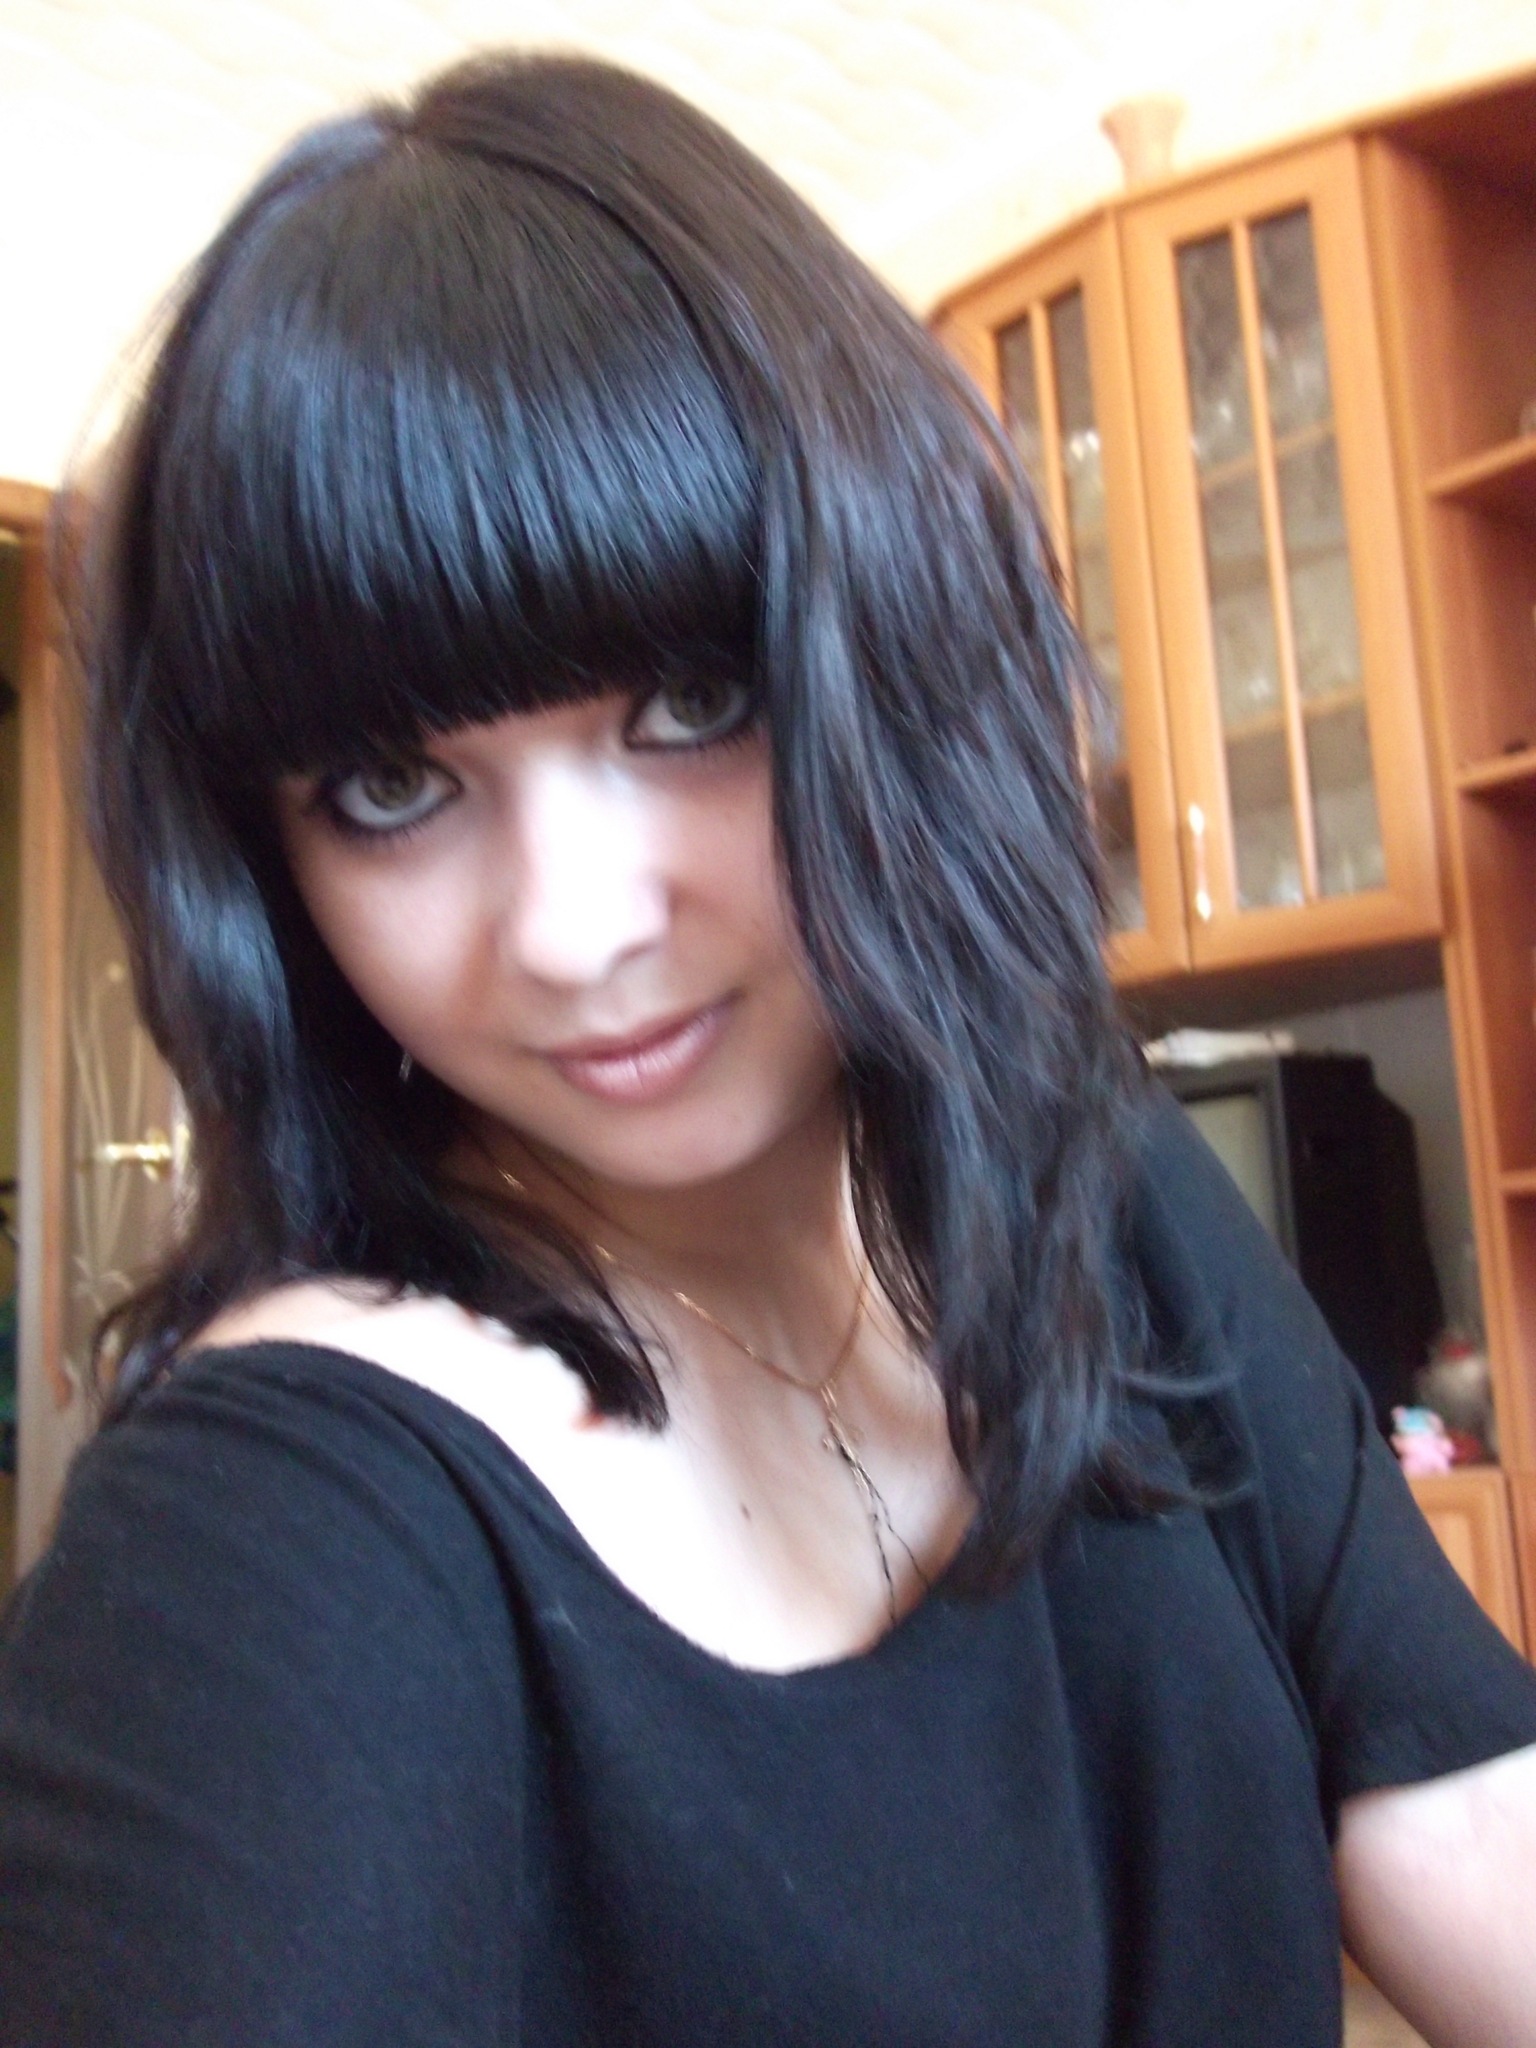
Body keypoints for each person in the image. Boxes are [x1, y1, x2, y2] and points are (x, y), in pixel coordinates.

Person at [2, 50, 1535, 2048]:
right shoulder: (276, 1535)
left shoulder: (1092, 1181)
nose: (574, 931)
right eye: (388, 787)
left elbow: (1455, 1803)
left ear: (896, 657)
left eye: (691, 699)